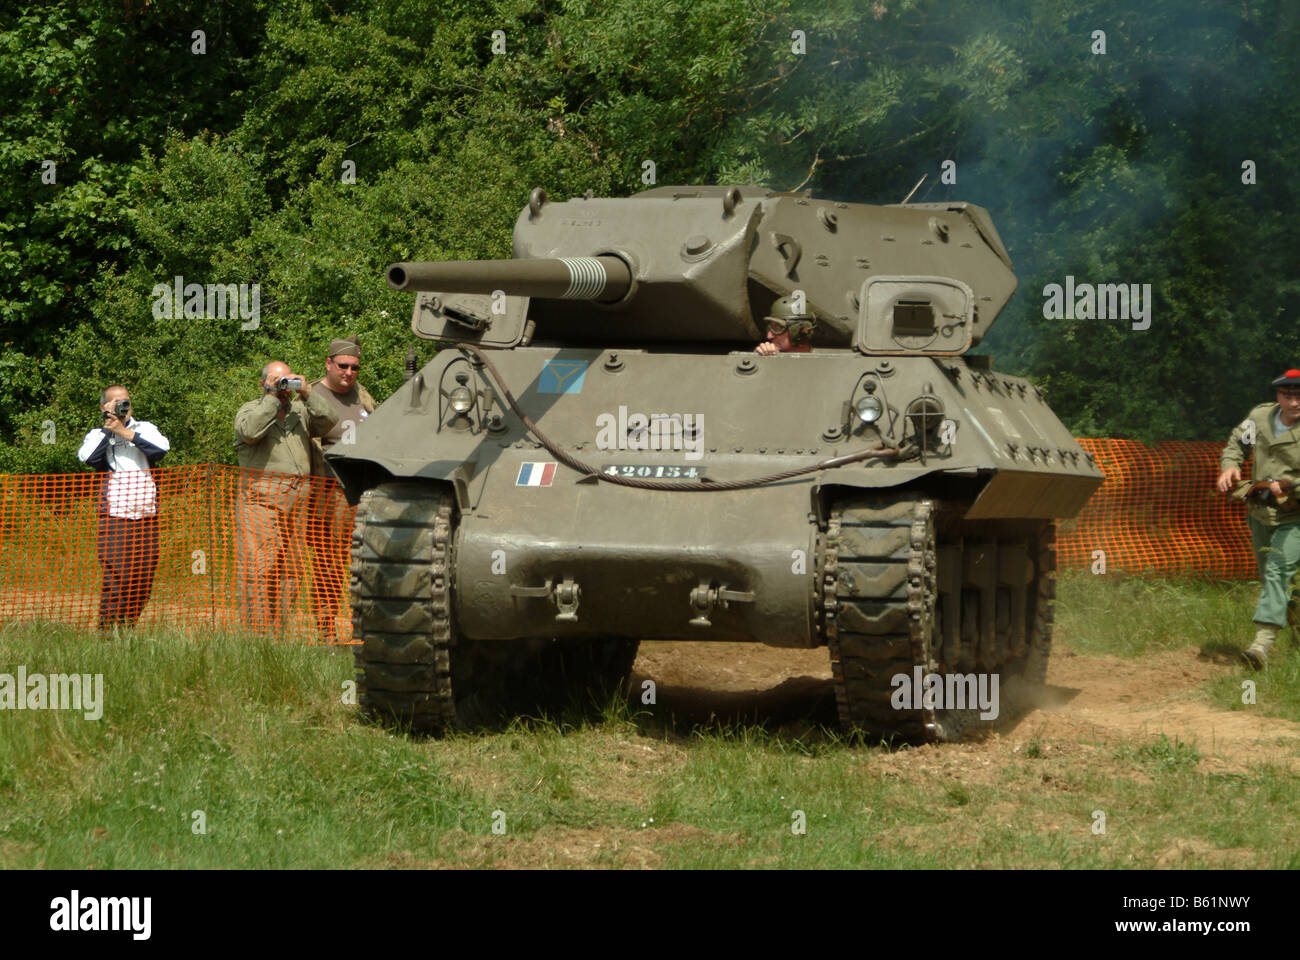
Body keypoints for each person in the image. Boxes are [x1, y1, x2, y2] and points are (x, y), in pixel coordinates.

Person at [234, 362, 338, 636]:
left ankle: (278, 632)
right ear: (263, 384)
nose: (283, 388)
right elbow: (250, 432)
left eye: (286, 381)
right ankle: (256, 636)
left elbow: (329, 420)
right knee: (260, 570)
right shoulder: (249, 410)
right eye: (277, 381)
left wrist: (307, 392)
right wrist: (271, 397)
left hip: (297, 505)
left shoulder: (300, 412)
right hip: (261, 502)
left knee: (291, 571)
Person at [1217, 368, 1300, 668]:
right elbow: (1237, 443)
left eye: (1299, 396)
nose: (1294, 402)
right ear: (1278, 396)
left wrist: (1290, 486)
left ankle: (1260, 646)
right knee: (1273, 580)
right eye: (1288, 395)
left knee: (1277, 573)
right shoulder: (1261, 418)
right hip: (1260, 514)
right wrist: (1230, 466)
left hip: (1295, 517)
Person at [77, 384, 170, 633]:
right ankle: (106, 632)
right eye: (115, 402)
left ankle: (127, 628)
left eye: (125, 401)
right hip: (115, 514)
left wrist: (126, 432)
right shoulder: (97, 434)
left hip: (147, 515)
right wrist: (111, 430)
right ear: (103, 406)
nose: (122, 406)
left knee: (143, 579)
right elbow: (88, 459)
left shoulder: (146, 428)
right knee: (117, 576)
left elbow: (161, 450)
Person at [306, 335, 377, 640]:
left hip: (365, 492)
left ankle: (363, 627)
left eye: (355, 368)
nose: (349, 373)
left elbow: (380, 426)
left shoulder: (362, 395)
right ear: (329, 364)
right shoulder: (311, 395)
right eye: (343, 366)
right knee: (328, 562)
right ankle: (326, 629)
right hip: (329, 491)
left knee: (365, 560)